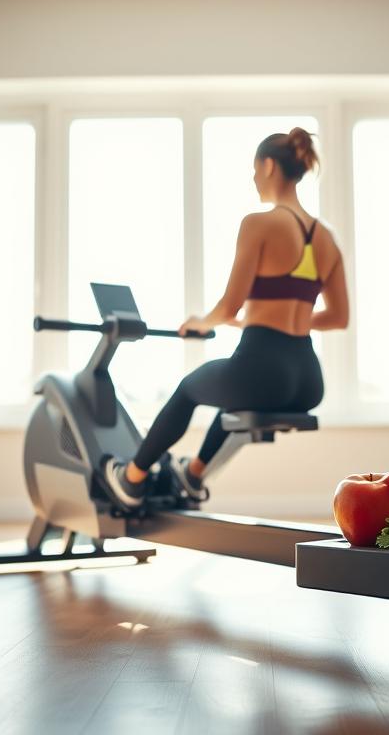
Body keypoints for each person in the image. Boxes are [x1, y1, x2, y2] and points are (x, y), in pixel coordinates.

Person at [103, 127, 350, 508]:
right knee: (234, 391)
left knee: (189, 388)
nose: (254, 179)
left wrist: (201, 322)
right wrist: (280, 318)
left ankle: (131, 479)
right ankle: (193, 474)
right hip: (307, 381)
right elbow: (338, 317)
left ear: (269, 166)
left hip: (263, 368)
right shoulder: (327, 238)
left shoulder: (259, 223)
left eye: (255, 169)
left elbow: (229, 306)